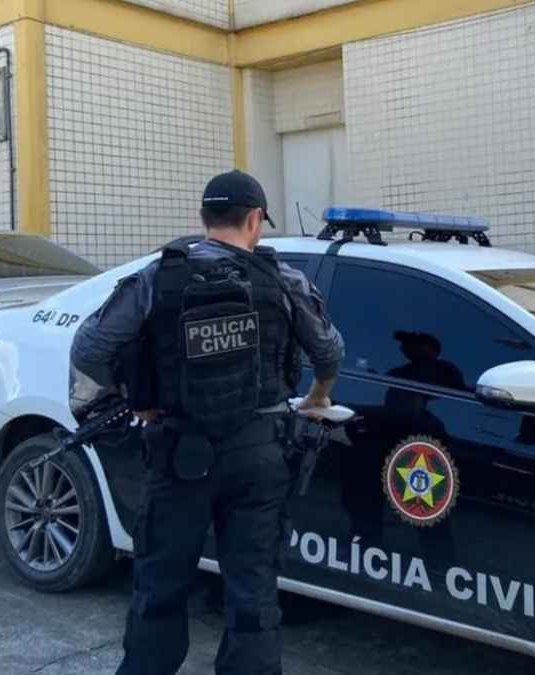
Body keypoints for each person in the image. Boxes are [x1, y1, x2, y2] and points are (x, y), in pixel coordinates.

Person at [70, 169, 344, 675]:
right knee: (253, 589)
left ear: (203, 219)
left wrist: (134, 401)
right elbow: (328, 349)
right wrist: (318, 395)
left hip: (178, 455)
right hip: (261, 454)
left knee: (160, 585)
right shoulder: (281, 278)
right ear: (256, 219)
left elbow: (90, 348)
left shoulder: (159, 277)